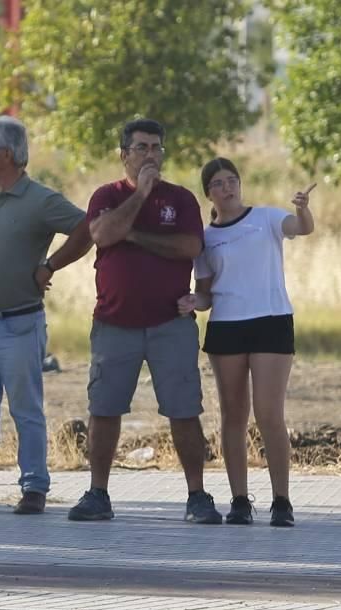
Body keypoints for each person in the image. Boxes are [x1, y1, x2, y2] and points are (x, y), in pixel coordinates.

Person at [67, 118, 223, 524]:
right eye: (142, 148)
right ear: (124, 155)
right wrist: (140, 195)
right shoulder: (106, 195)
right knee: (104, 408)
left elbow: (189, 246)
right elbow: (103, 234)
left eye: (157, 148)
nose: (151, 155)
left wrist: (135, 236)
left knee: (184, 410)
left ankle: (197, 496)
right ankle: (98, 493)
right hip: (114, 323)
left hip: (171, 324)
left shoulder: (181, 199)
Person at [0, 115, 93, 515]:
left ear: (7, 154)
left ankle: (34, 488)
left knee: (25, 408)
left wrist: (50, 265)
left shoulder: (40, 200)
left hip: (19, 324)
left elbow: (86, 228)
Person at [179, 158, 316, 526]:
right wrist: (193, 301)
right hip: (227, 327)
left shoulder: (267, 218)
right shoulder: (206, 239)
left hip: (271, 320)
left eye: (232, 180)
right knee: (233, 416)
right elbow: (205, 293)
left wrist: (302, 209)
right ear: (208, 193)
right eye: (219, 183)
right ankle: (239, 500)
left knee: (269, 414)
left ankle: (282, 501)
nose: (228, 188)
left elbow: (302, 228)